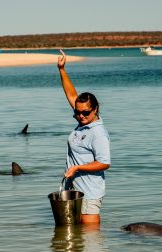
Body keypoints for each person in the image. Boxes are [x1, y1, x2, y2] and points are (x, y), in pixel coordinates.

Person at [57, 50, 111, 225]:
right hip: (74, 189)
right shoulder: (83, 122)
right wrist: (62, 69)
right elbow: (71, 94)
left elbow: (104, 162)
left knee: (92, 242)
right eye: (77, 112)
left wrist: (76, 168)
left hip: (89, 192)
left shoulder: (98, 132)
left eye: (85, 112)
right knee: (76, 243)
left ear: (95, 109)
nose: (81, 115)